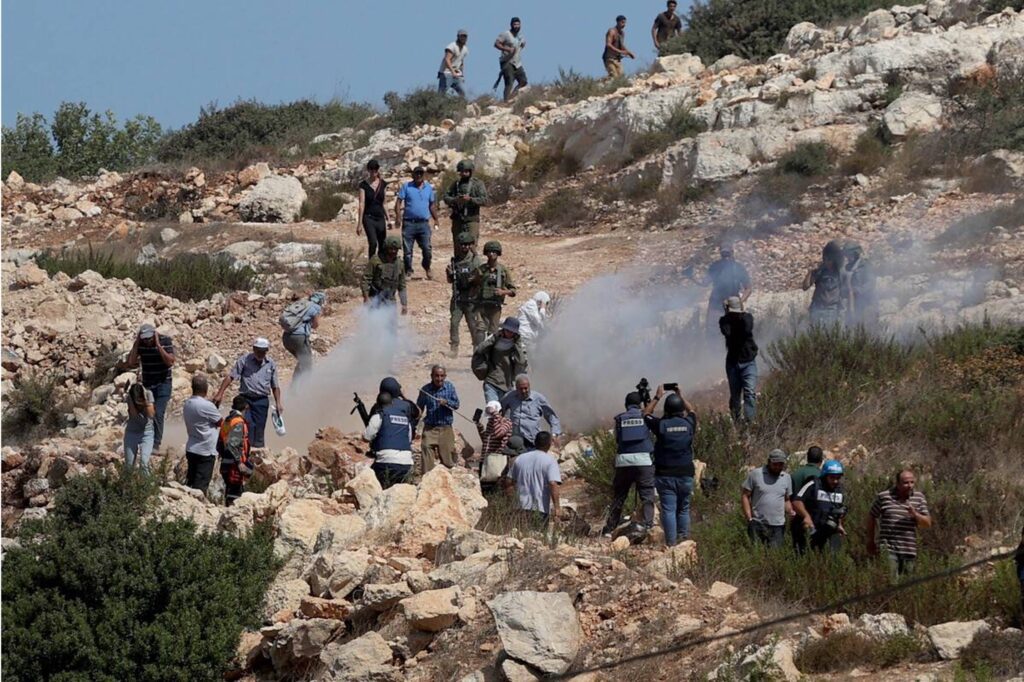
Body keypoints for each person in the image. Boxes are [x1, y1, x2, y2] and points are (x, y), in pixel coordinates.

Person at [642, 384, 697, 547]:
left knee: (668, 509)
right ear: (681, 410)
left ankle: (672, 545)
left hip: (665, 475)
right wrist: (680, 394)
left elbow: (645, 413)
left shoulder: (661, 426)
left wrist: (657, 397)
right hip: (686, 474)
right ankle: (684, 541)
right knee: (684, 508)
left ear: (666, 409)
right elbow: (692, 411)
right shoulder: (689, 424)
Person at [601, 391, 656, 538]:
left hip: (623, 462)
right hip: (643, 461)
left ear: (626, 405)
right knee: (647, 495)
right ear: (639, 405)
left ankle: (610, 527)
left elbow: (618, 440)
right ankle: (648, 526)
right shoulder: (645, 415)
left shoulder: (620, 419)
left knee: (619, 496)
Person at [213, 338, 282, 450]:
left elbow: (275, 386)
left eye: (263, 351)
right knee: (246, 425)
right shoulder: (244, 360)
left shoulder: (271, 364)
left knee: (259, 428)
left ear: (267, 350)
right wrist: (220, 393)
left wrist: (278, 403)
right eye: (258, 350)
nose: (260, 354)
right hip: (246, 399)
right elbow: (231, 376)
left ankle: (257, 452)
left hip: (262, 400)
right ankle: (244, 452)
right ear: (254, 349)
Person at [867, 469, 932, 579]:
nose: (909, 486)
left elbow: (927, 523)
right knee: (890, 581)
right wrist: (870, 540)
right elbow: (871, 516)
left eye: (912, 482)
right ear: (897, 483)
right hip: (888, 548)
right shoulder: (884, 497)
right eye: (906, 483)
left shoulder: (918, 497)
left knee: (906, 585)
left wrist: (915, 514)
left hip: (908, 549)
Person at [126, 323, 176, 451]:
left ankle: (156, 444)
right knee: (147, 413)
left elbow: (170, 361)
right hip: (148, 384)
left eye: (149, 338)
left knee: (158, 413)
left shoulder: (165, 341)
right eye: (144, 339)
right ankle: (144, 439)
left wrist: (158, 346)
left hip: (163, 383)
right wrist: (137, 344)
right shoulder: (141, 344)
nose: (147, 341)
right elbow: (131, 362)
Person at [741, 449, 794, 548]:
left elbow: (786, 499)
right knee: (756, 553)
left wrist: (790, 511)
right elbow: (745, 495)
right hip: (758, 523)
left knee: (774, 555)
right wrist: (749, 518)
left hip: (778, 526)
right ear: (769, 462)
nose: (777, 467)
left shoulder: (786, 478)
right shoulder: (756, 474)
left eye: (780, 464)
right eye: (775, 464)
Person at [793, 459, 848, 554]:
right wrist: (806, 516)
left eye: (838, 478)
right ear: (825, 475)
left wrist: (839, 524)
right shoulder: (813, 485)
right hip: (811, 531)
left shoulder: (839, 490)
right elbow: (797, 502)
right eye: (832, 477)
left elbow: (838, 509)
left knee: (833, 557)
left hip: (829, 531)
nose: (835, 481)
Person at [505, 431, 561, 523]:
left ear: (535, 442)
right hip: (540, 509)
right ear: (549, 444)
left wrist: (512, 502)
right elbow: (552, 483)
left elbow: (508, 482)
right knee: (538, 536)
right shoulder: (550, 461)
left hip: (519, 508)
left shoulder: (519, 459)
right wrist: (557, 508)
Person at [394, 166, 439, 279]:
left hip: (424, 223)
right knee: (407, 250)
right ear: (413, 175)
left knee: (427, 248)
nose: (419, 176)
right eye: (416, 174)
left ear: (423, 175)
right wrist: (398, 216)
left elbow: (432, 205)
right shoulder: (406, 187)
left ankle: (427, 267)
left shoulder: (428, 188)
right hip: (409, 223)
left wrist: (436, 219)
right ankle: (408, 270)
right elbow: (399, 202)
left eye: (420, 174)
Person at [362, 392, 413, 489]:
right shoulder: (405, 418)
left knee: (371, 480)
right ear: (392, 403)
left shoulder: (379, 416)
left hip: (386, 463)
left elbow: (366, 437)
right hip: (407, 463)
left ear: (377, 404)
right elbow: (409, 439)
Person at [719, 296, 758, 423]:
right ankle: (737, 422)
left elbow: (747, 328)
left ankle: (750, 422)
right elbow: (727, 332)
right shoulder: (724, 321)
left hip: (748, 362)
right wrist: (728, 315)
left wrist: (739, 316)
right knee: (735, 396)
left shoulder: (747, 318)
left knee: (750, 393)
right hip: (733, 363)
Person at [701, 242, 752, 337]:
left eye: (727, 254)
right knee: (713, 331)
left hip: (732, 303)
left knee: (735, 333)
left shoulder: (738, 267)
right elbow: (705, 282)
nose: (726, 257)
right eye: (724, 254)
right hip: (716, 303)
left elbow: (748, 288)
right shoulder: (715, 267)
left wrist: (740, 301)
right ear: (720, 254)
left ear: (732, 253)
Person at [183, 373, 223, 495]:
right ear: (205, 389)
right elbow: (220, 422)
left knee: (191, 481)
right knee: (200, 486)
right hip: (205, 451)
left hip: (192, 447)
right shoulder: (207, 406)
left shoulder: (187, 404)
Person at [472, 317, 528, 403]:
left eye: (512, 332)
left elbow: (521, 362)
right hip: (492, 381)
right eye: (507, 330)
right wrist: (494, 338)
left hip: (507, 384)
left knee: (505, 413)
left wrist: (517, 345)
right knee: (493, 409)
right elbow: (479, 350)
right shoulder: (494, 338)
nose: (509, 333)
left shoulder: (518, 343)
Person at [416, 365, 460, 473]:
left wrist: (447, 402)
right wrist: (415, 421)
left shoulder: (450, 387)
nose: (439, 379)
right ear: (432, 376)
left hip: (445, 429)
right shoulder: (425, 390)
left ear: (445, 376)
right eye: (436, 376)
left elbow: (456, 404)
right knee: (426, 450)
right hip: (430, 429)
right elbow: (419, 408)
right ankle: (427, 481)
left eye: (442, 376)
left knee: (448, 460)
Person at [499, 374, 561, 449]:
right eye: (520, 389)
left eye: (526, 388)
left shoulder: (538, 399)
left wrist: (554, 434)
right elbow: (500, 409)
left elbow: (552, 416)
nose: (523, 391)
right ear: (516, 388)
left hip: (533, 441)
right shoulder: (510, 396)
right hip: (516, 441)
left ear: (529, 386)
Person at [447, 232, 482, 357]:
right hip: (458, 298)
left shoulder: (475, 260)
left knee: (473, 325)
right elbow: (451, 280)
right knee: (454, 323)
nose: (464, 247)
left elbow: (480, 278)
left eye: (467, 245)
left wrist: (472, 279)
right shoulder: (455, 260)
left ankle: (476, 347)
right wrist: (450, 274)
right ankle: (454, 348)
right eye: (462, 245)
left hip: (471, 298)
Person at [472, 240, 516, 338]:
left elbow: (513, 291)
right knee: (480, 330)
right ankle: (478, 351)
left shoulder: (503, 271)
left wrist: (503, 292)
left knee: (492, 333)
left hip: (495, 306)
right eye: (489, 252)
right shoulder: (481, 269)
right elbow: (473, 285)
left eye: (494, 252)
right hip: (481, 305)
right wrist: (476, 278)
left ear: (498, 253)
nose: (491, 254)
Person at [442, 159, 489, 247]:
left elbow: (484, 200)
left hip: (471, 219)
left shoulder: (477, 184)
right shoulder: (456, 184)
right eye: (462, 172)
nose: (464, 174)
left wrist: (470, 199)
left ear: (470, 171)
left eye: (466, 171)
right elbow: (446, 197)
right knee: (458, 245)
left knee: (471, 245)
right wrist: (455, 200)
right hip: (458, 219)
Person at [280, 292, 325, 381]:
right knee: (306, 364)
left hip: (286, 338)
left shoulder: (301, 304)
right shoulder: (315, 307)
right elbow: (316, 325)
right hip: (299, 338)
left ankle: (295, 386)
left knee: (302, 361)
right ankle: (301, 389)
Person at [789, 446, 825, 554]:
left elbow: (789, 496)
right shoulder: (821, 476)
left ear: (807, 458)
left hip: (796, 518)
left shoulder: (795, 474)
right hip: (815, 520)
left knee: (798, 551)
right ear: (821, 460)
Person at [361, 236, 408, 315]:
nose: (393, 251)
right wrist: (366, 297)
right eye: (391, 249)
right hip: (376, 296)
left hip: (390, 299)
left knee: (391, 324)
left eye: (395, 249)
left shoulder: (399, 264)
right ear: (386, 248)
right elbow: (366, 279)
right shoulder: (376, 260)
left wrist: (404, 304)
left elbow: (402, 285)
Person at [217, 395, 250, 507]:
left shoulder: (227, 420)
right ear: (246, 407)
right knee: (235, 496)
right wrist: (239, 462)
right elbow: (233, 444)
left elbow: (220, 442)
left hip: (225, 462)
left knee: (229, 492)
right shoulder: (238, 422)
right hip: (234, 465)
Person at [803, 240, 845, 325]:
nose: (827, 262)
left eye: (829, 259)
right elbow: (805, 286)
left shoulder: (840, 273)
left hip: (832, 309)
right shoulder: (819, 272)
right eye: (825, 259)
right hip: (818, 308)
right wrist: (810, 272)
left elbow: (847, 291)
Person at [356, 159, 390, 258]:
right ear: (368, 170)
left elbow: (384, 203)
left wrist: (388, 219)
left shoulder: (383, 184)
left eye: (375, 169)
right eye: (371, 169)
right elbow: (361, 204)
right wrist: (359, 224)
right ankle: (371, 264)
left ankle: (380, 265)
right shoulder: (363, 185)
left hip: (380, 217)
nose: (373, 171)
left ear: (378, 170)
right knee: (373, 242)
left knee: (382, 243)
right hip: (368, 217)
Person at [476, 400, 513, 487]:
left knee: (497, 485)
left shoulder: (507, 423)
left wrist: (495, 415)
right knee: (485, 485)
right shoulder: (491, 423)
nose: (491, 418)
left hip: (496, 460)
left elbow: (498, 434)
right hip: (485, 459)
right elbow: (486, 439)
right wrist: (479, 425)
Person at [842, 241, 878, 327]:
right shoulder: (847, 268)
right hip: (852, 305)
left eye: (849, 254)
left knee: (866, 328)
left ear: (855, 253)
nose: (847, 257)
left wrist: (858, 290)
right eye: (846, 254)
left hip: (866, 304)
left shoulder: (866, 266)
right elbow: (843, 285)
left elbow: (871, 282)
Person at [123, 382, 155, 472]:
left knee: (144, 462)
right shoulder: (130, 398)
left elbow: (151, 414)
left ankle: (147, 484)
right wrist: (133, 402)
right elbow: (134, 415)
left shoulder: (148, 394)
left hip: (147, 432)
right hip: (132, 432)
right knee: (129, 465)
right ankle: (128, 484)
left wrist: (145, 402)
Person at [494, 17, 528, 101]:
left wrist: (523, 45)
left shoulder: (520, 36)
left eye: (518, 24)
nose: (516, 26)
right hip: (507, 62)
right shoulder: (506, 34)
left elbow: (521, 45)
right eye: (515, 24)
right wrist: (507, 49)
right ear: (511, 25)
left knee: (523, 81)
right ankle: (506, 101)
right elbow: (496, 44)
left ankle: (512, 97)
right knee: (509, 82)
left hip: (517, 63)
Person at [438, 29, 469, 97]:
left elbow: (461, 62)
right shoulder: (452, 46)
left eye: (465, 36)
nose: (463, 38)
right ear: (458, 36)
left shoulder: (465, 49)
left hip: (457, 74)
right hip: (446, 73)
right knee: (442, 94)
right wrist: (452, 72)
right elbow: (447, 59)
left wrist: (462, 75)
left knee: (462, 93)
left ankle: (460, 106)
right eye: (462, 36)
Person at [603, 15, 635, 80]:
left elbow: (621, 45)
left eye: (625, 23)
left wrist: (628, 52)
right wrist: (621, 52)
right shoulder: (612, 31)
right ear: (618, 22)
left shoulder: (622, 33)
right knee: (614, 76)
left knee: (621, 78)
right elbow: (608, 45)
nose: (624, 25)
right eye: (622, 22)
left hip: (617, 59)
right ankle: (603, 81)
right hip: (609, 59)